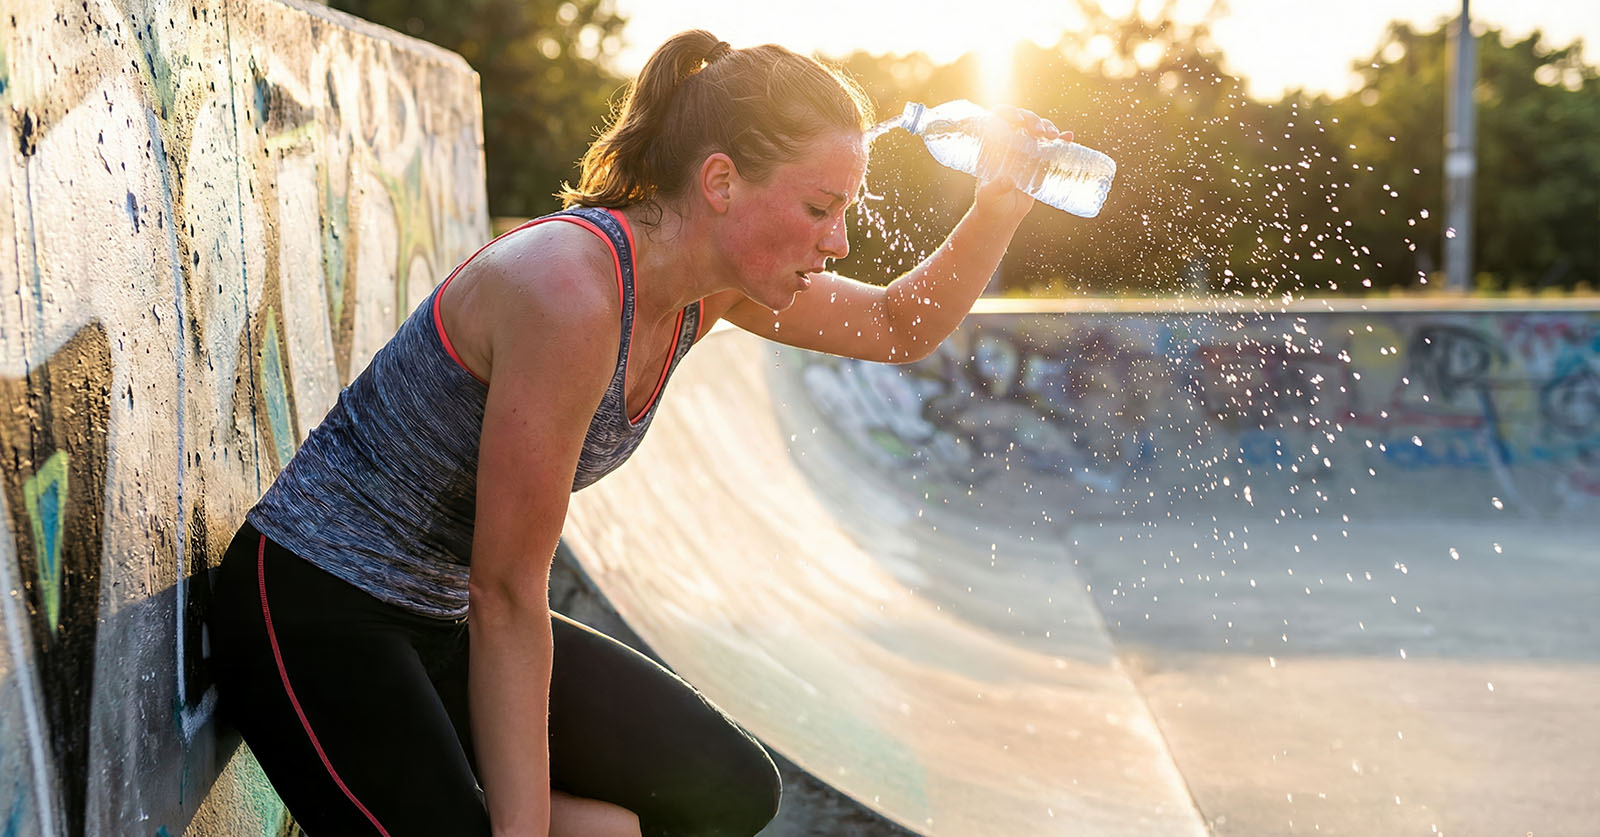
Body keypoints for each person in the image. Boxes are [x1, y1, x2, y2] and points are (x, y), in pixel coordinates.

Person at [206, 28, 1067, 837]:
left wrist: (1000, 204)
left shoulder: (710, 287)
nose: (837, 240)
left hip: (443, 616)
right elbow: (508, 590)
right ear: (721, 182)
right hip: (319, 604)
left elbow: (894, 325)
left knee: (727, 788)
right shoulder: (569, 293)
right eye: (818, 206)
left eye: (844, 209)